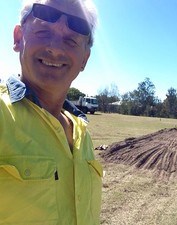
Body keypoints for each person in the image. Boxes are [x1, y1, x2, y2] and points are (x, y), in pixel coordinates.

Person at [0, 1, 103, 224]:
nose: (56, 48)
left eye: (71, 40)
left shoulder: (81, 133)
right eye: (43, 31)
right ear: (18, 37)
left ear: (84, 59)